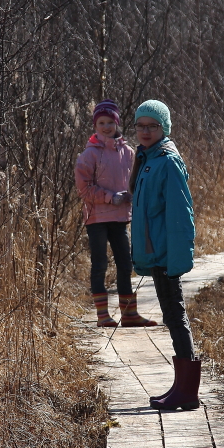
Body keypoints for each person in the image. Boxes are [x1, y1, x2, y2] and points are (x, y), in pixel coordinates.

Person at [129, 99, 201, 410]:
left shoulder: (167, 161)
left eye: (152, 126)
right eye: (140, 126)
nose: (145, 131)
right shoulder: (148, 158)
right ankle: (182, 387)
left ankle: (187, 392)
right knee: (173, 317)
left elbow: (181, 214)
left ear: (165, 128)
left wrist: (177, 260)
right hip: (157, 252)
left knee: (175, 317)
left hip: (166, 254)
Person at [75, 99, 157, 329]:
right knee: (100, 264)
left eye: (110, 122)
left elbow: (136, 182)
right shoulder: (89, 154)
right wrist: (111, 197)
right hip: (97, 218)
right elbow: (84, 189)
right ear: (95, 125)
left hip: (120, 218)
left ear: (117, 123)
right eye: (101, 123)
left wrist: (132, 194)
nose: (106, 127)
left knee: (125, 264)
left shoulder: (128, 152)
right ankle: (103, 316)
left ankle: (129, 314)